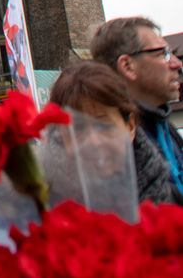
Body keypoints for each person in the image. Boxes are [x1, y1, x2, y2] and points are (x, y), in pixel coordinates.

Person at [47, 59, 172, 202]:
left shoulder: (171, 202)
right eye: (78, 128)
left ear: (130, 126)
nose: (93, 141)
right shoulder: (40, 207)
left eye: (103, 125)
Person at [89, 18, 183, 204]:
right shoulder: (111, 145)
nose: (176, 64)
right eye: (162, 54)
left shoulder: (166, 129)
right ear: (127, 66)